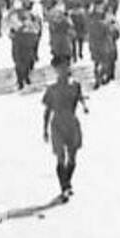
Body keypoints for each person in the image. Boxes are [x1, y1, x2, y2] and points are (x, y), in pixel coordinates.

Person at [42, 53, 89, 201]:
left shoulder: (75, 85)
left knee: (73, 158)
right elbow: (47, 110)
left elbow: (80, 98)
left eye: (65, 66)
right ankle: (65, 187)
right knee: (61, 157)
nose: (63, 69)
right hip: (57, 124)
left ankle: (68, 181)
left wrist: (85, 106)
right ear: (55, 70)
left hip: (72, 123)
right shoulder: (52, 89)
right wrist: (44, 129)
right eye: (59, 67)